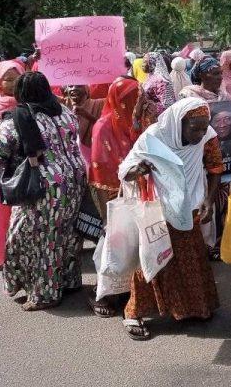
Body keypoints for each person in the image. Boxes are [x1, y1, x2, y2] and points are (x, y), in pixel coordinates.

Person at [118, 98, 221, 340]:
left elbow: (215, 168)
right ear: (178, 124)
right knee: (155, 256)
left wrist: (209, 200)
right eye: (194, 128)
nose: (199, 133)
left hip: (190, 206)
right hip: (158, 208)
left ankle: (193, 308)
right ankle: (133, 312)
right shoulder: (155, 136)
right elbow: (127, 169)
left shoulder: (208, 136)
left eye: (204, 126)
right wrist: (139, 170)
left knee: (190, 259)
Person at [0, 71, 86, 311]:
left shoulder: (18, 118)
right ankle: (69, 280)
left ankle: (45, 294)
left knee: (39, 238)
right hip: (74, 178)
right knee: (67, 232)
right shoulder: (64, 112)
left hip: (43, 185)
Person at [86, 76, 141, 317]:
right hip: (110, 193)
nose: (137, 101)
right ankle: (101, 294)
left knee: (132, 245)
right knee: (111, 244)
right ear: (119, 100)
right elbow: (98, 169)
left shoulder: (135, 121)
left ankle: (127, 289)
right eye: (132, 98)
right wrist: (106, 212)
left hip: (134, 191)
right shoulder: (104, 126)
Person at [141, 51, 176, 116]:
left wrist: (150, 106)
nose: (142, 64)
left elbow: (168, 104)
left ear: (152, 62)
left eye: (145, 61)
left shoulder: (161, 80)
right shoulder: (150, 77)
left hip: (159, 118)